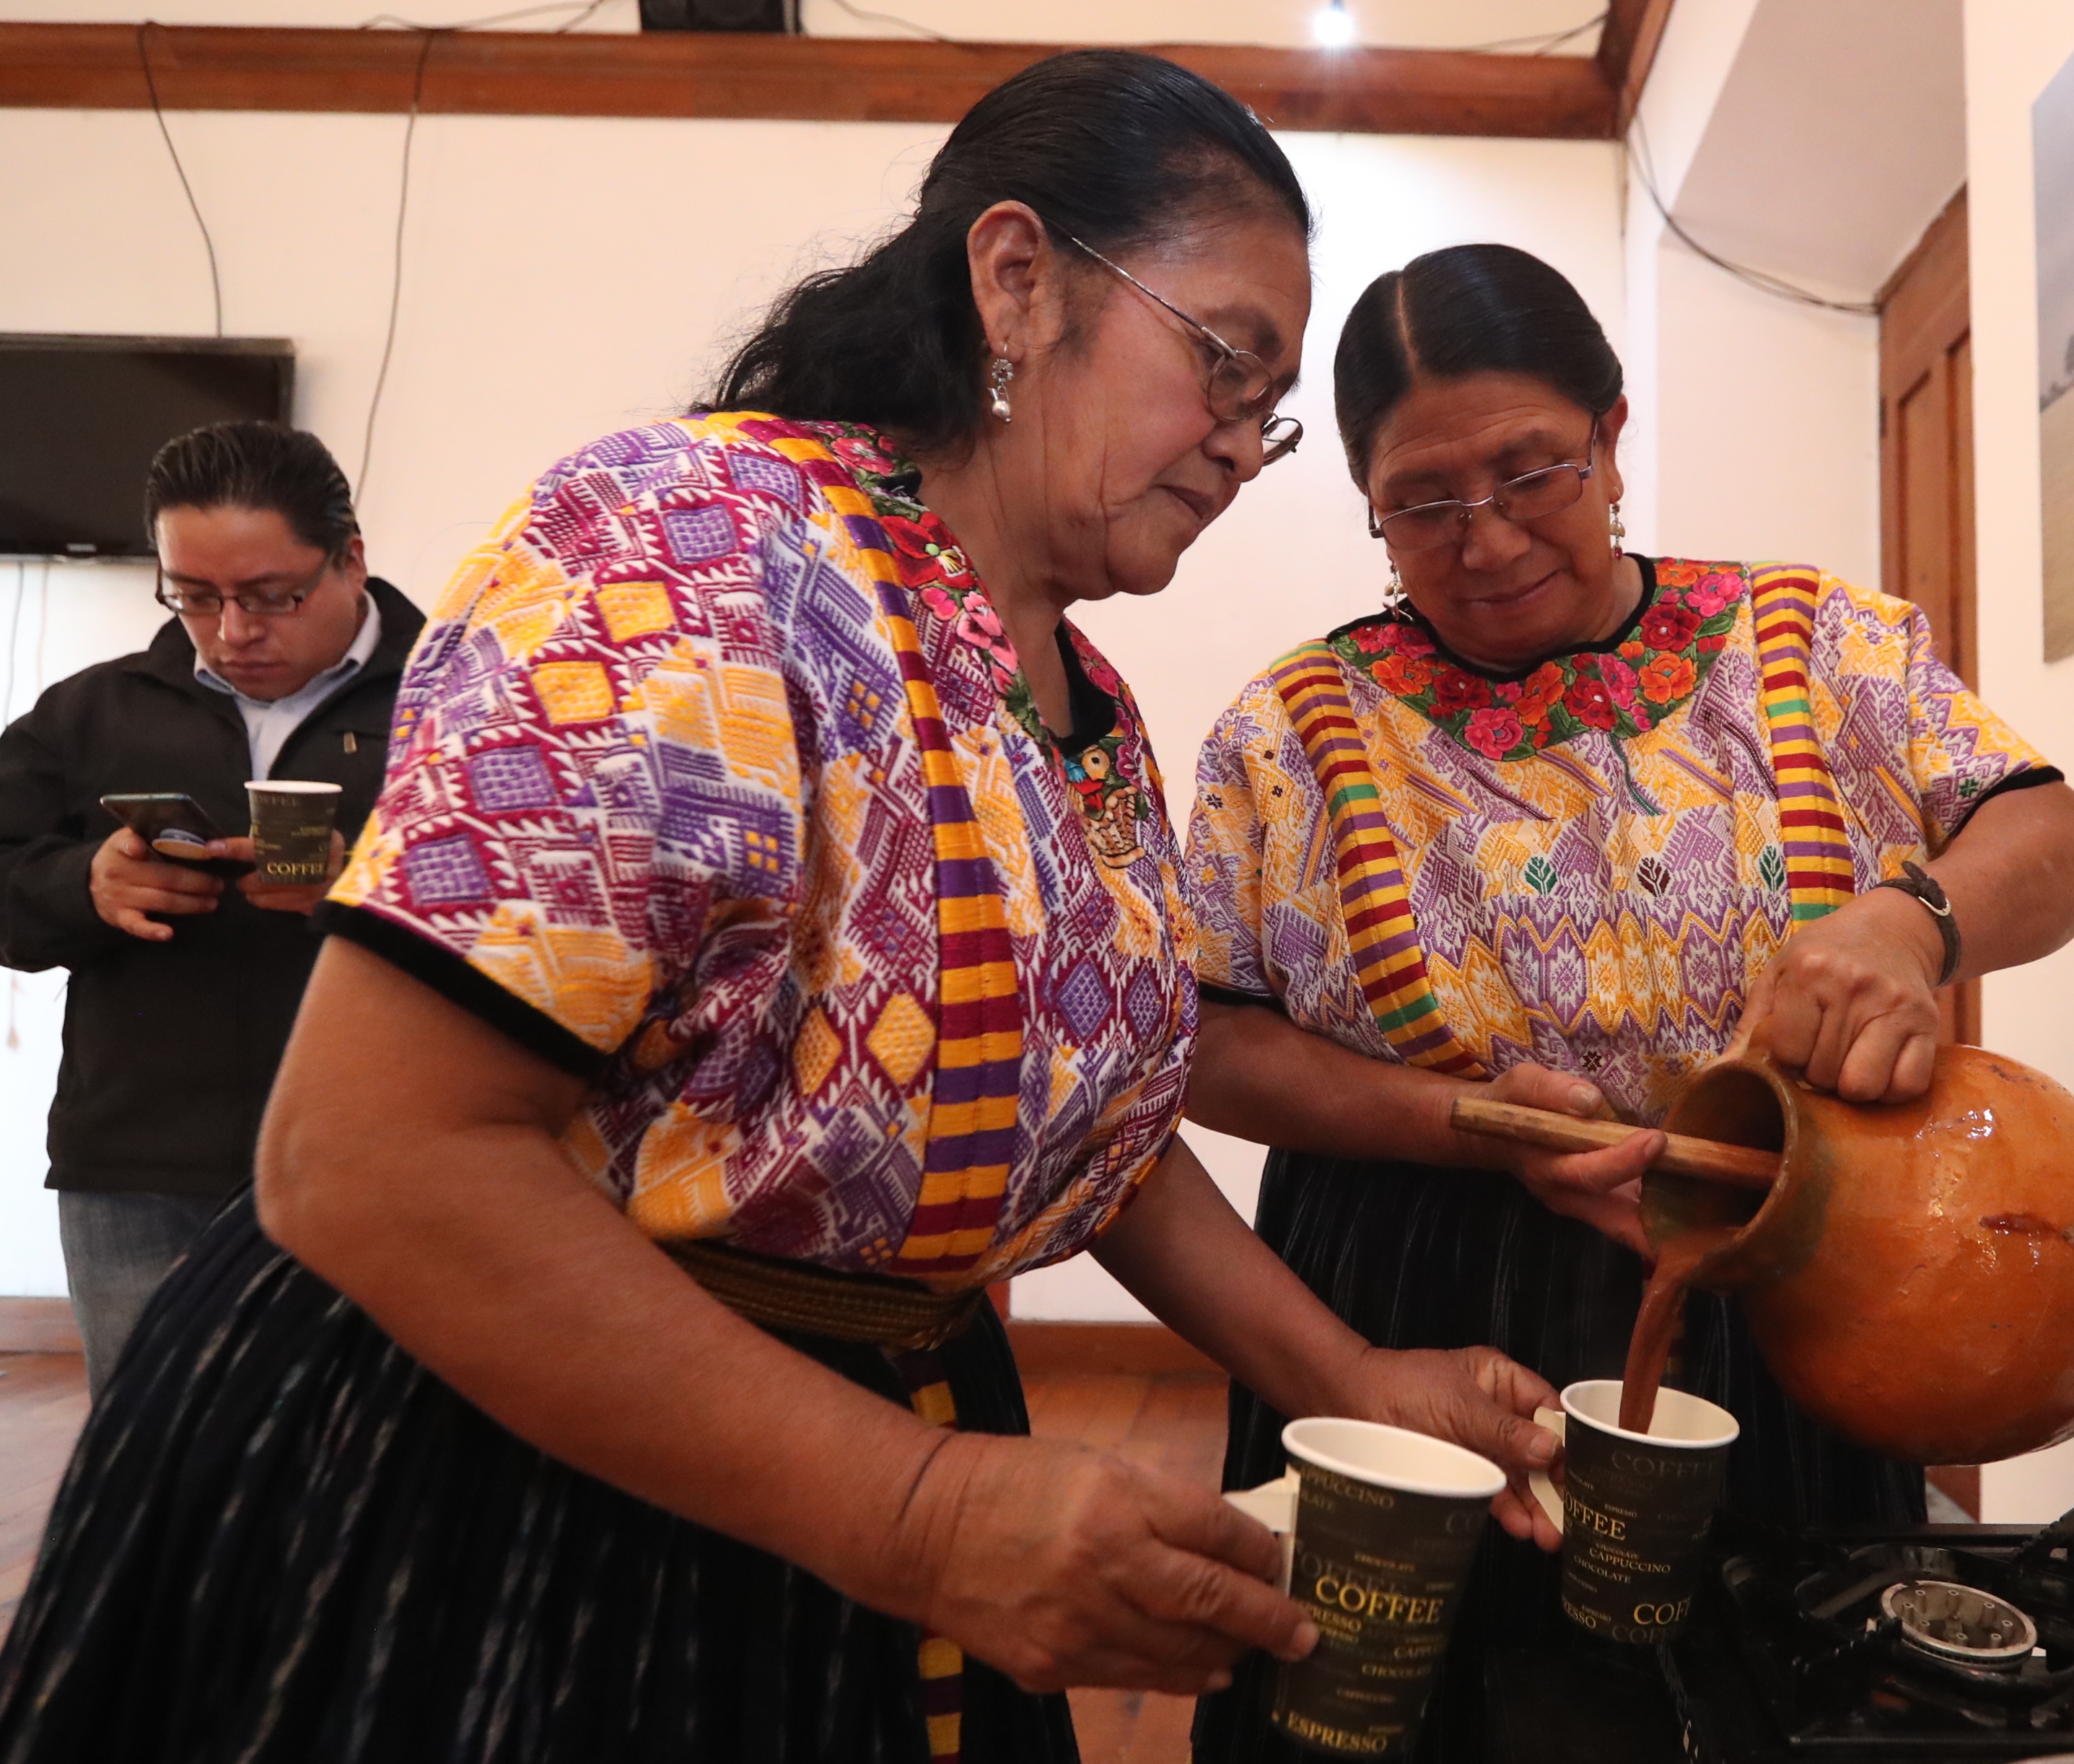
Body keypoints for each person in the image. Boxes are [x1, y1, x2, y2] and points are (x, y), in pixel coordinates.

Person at [0, 53, 1560, 1764]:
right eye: (1223, 364)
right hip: (514, 1479)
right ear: (1018, 279)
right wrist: (920, 1511)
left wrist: (1352, 1378)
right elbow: (371, 1158)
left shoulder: (1083, 714)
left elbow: (1087, 1131)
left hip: (878, 1453)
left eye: (1265, 407)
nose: (1243, 446)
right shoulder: (685, 549)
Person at [1182, 244, 2074, 1759]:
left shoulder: (1812, 648)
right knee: (1395, 1709)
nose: (1481, 540)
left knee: (1767, 1689)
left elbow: (2061, 842)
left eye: (1530, 471)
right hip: (1407, 1284)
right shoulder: (1288, 733)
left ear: (1611, 437)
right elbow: (1206, 1046)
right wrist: (1467, 1128)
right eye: (1420, 501)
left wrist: (1906, 920)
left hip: (1773, 1274)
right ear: (1362, 497)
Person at [0, 421, 421, 1395]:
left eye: (275, 597)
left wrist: (368, 887)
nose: (234, 630)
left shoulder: (462, 700)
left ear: (351, 557)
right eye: (193, 597)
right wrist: (84, 886)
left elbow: (558, 917)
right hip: (138, 1174)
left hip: (391, 1168)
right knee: (158, 1491)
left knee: (367, 1494)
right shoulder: (93, 712)